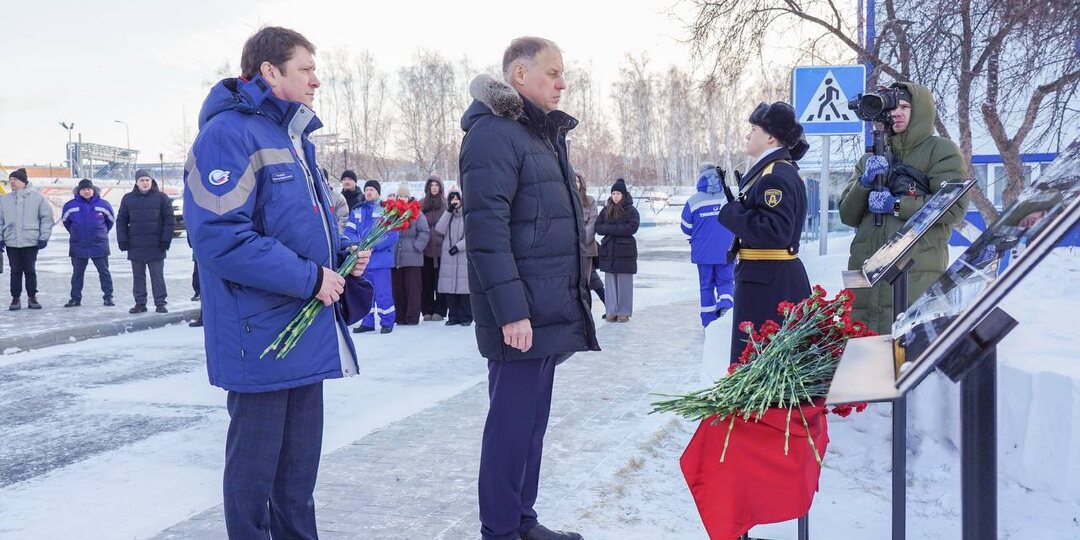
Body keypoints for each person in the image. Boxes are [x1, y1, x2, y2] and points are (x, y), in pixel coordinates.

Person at [183, 26, 372, 539]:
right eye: (306, 69)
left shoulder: (293, 138)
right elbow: (220, 237)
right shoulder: (228, 134)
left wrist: (341, 258)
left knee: (297, 476)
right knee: (255, 475)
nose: (317, 80)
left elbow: (293, 226)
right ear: (270, 71)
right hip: (259, 336)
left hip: (303, 327)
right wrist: (312, 277)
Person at [460, 36, 598, 540]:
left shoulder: (539, 134)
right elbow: (486, 233)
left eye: (564, 73)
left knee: (531, 427)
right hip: (520, 315)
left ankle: (522, 519)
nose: (562, 83)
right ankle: (498, 529)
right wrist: (512, 312)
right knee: (510, 428)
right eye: (552, 72)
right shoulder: (495, 135)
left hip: (547, 308)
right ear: (519, 75)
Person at [838, 82, 969, 335]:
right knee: (866, 359)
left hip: (913, 278)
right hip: (867, 279)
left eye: (905, 106)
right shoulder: (871, 157)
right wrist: (865, 183)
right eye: (893, 106)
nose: (897, 112)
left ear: (921, 111)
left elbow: (953, 208)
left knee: (909, 361)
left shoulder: (940, 151)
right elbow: (847, 214)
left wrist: (896, 204)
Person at [717, 102, 812, 364]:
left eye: (754, 129)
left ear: (771, 137)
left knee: (762, 366)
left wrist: (731, 213)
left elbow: (775, 231)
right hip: (767, 279)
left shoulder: (774, 175)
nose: (748, 135)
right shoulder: (773, 170)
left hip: (769, 285)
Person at [681, 163, 736, 327]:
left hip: (703, 253)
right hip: (727, 251)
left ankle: (708, 321)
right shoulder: (728, 197)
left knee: (706, 287)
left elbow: (686, 227)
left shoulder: (693, 201)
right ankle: (726, 308)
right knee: (726, 282)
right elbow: (738, 219)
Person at [117, 169, 175, 313]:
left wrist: (166, 240)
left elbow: (169, 221)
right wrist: (122, 240)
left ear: (152, 181)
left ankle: (160, 303)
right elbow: (121, 221)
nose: (144, 183)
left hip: (156, 245)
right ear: (136, 182)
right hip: (135, 245)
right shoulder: (128, 198)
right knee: (138, 276)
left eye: (147, 180)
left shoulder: (162, 198)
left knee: (157, 276)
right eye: (142, 180)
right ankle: (140, 303)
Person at [345, 179, 398, 334]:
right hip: (362, 260)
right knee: (365, 293)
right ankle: (367, 322)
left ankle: (387, 321)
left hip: (380, 261)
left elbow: (392, 234)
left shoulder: (386, 210)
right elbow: (349, 232)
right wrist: (359, 245)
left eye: (372, 190)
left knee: (383, 293)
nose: (368, 192)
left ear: (378, 193)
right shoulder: (357, 210)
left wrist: (372, 245)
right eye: (367, 189)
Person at [0, 168, 53, 310]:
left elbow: (46, 218)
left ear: (23, 182)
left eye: (15, 180)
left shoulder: (38, 198)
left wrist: (43, 237)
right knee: (15, 270)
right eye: (10, 180)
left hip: (30, 241)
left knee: (30, 270)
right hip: (11, 241)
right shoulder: (4, 200)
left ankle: (32, 297)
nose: (12, 182)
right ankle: (15, 298)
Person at [61, 178, 115, 307]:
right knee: (77, 274)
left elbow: (110, 221)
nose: (86, 191)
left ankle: (108, 297)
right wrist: (76, 233)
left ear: (93, 190)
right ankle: (75, 298)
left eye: (88, 189)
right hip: (78, 244)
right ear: (79, 191)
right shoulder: (70, 205)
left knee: (104, 272)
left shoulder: (104, 204)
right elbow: (66, 222)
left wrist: (100, 233)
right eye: (84, 189)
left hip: (99, 244)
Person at [595, 178, 640, 323]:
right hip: (609, 249)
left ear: (623, 195)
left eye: (618, 193)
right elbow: (598, 227)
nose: (615, 196)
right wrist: (613, 229)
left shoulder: (631, 210)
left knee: (624, 281)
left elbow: (631, 228)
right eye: (613, 193)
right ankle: (611, 310)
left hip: (625, 250)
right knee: (610, 281)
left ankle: (624, 312)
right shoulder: (606, 209)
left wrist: (611, 229)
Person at [390, 182, 430, 325]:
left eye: (405, 196)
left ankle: (412, 317)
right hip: (395, 257)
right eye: (400, 195)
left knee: (413, 289)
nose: (402, 198)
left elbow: (424, 232)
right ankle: (400, 317)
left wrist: (416, 247)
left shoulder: (417, 214)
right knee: (397, 289)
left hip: (412, 257)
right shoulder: (391, 212)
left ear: (409, 197)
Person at [435, 190, 470, 325]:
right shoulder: (448, 215)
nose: (454, 201)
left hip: (461, 255)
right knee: (450, 289)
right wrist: (448, 211)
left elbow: (471, 235)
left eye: (457, 198)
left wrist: (458, 247)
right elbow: (439, 229)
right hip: (449, 257)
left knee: (463, 289)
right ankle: (453, 316)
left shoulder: (467, 215)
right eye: (451, 198)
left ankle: (466, 316)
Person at [421, 174, 448, 321]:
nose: (434, 188)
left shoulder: (445, 205)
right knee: (426, 281)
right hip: (424, 250)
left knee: (440, 281)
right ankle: (426, 309)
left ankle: (440, 310)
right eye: (431, 185)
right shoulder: (421, 204)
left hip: (441, 250)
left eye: (436, 185)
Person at [575, 172, 604, 309]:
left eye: (578, 181)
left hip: (586, 250)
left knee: (586, 283)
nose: (575, 184)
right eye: (572, 180)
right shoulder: (565, 201)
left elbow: (592, 225)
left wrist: (579, 242)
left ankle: (588, 313)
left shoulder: (590, 201)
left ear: (582, 183)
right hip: (570, 250)